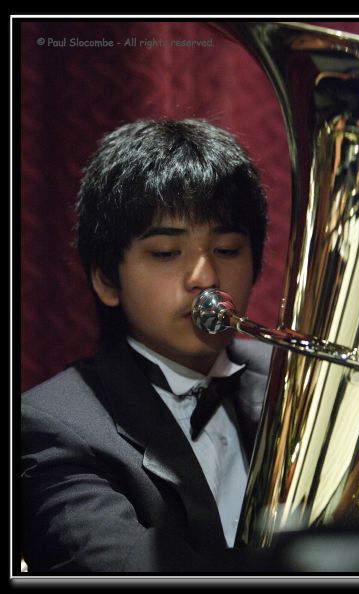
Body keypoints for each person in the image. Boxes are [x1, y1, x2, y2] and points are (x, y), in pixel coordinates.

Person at [21, 118, 274, 573]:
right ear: (106, 279)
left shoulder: (298, 380)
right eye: (165, 253)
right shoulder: (49, 424)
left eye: (227, 249)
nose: (205, 278)